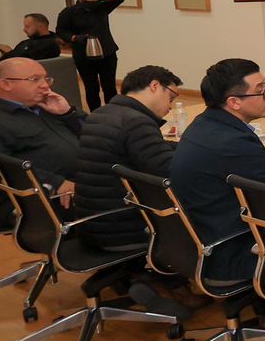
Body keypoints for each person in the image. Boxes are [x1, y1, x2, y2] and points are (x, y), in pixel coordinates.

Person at [170, 60, 265, 282]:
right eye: (261, 90)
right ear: (234, 102)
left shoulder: (205, 124)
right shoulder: (231, 142)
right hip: (233, 251)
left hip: (205, 240)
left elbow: (243, 172)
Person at [0, 57, 83, 224]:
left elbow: (96, 135)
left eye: (46, 79)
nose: (45, 85)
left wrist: (68, 114)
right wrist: (56, 183)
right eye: (34, 79)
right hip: (38, 198)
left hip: (81, 181)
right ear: (6, 84)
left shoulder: (47, 107)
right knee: (113, 202)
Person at [72, 65, 182, 251]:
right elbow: (170, 170)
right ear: (155, 86)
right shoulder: (137, 122)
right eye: (170, 97)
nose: (170, 106)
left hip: (92, 222)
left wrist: (185, 147)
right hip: (124, 228)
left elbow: (155, 148)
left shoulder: (102, 113)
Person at [56, 0, 125, 111]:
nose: (89, 1)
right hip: (83, 55)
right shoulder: (69, 12)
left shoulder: (102, 8)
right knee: (91, 87)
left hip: (106, 52)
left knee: (109, 86)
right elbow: (61, 31)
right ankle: (96, 114)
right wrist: (74, 38)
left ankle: (113, 112)